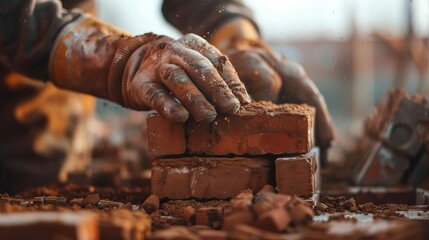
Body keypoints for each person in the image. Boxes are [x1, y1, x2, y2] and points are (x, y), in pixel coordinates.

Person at [0, 0, 334, 193]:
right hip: (15, 88)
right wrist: (121, 59)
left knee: (45, 185)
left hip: (47, 124)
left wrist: (237, 37)